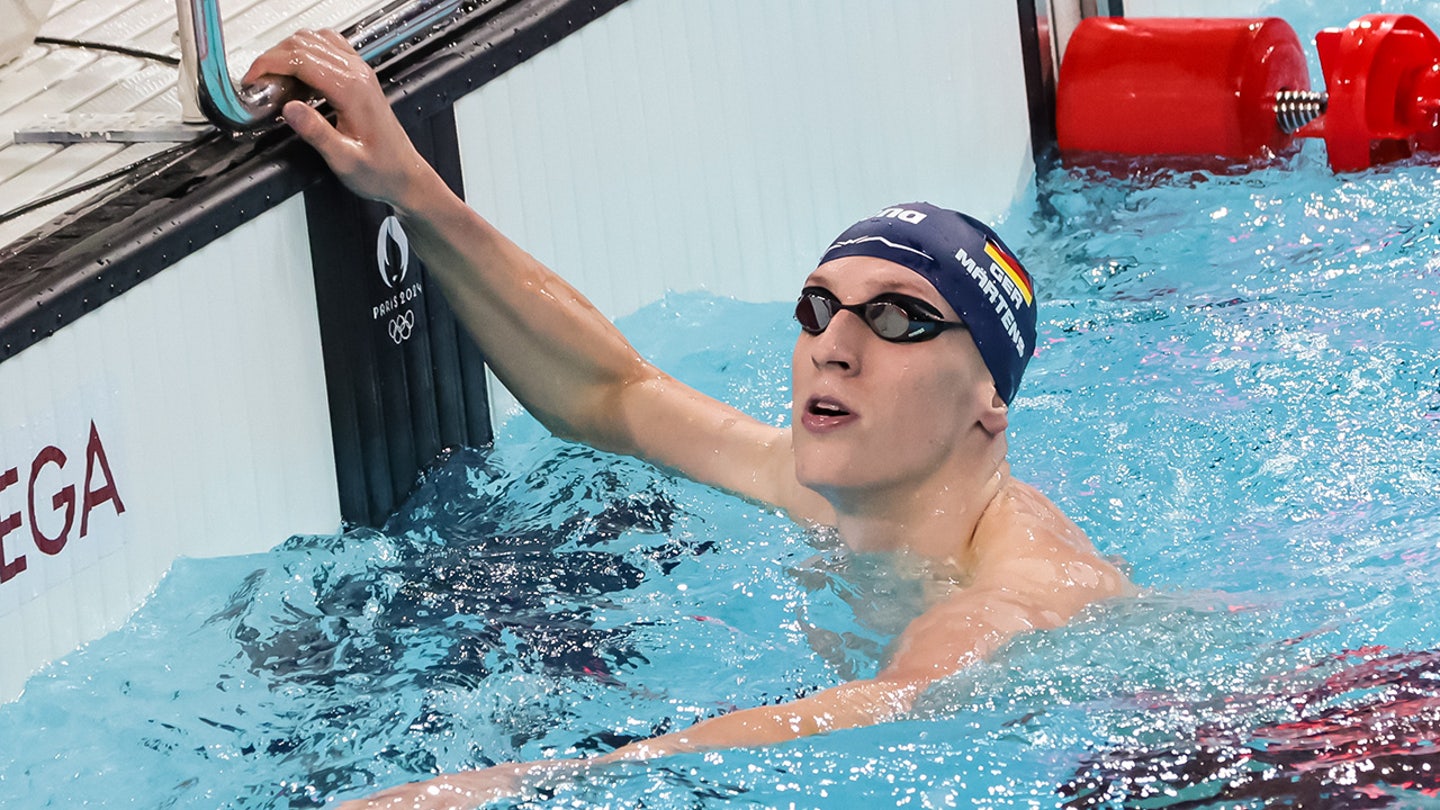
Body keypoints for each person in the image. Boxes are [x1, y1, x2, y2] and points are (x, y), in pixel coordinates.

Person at [244, 29, 1135, 809]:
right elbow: (617, 396)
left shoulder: (1013, 587)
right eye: (820, 309)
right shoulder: (835, 487)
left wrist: (534, 784)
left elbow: (895, 703)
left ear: (992, 398)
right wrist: (411, 187)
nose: (835, 345)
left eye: (898, 318)